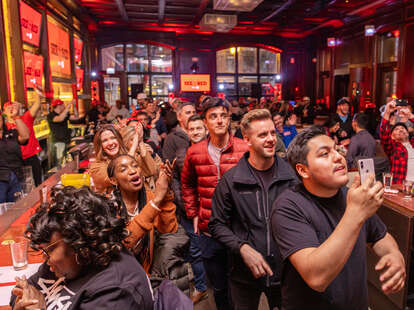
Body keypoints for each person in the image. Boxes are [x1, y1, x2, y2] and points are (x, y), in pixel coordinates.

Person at [272, 127, 405, 310]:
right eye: (325, 154)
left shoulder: (348, 195)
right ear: (303, 170)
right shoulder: (288, 207)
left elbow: (380, 236)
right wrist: (355, 213)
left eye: (336, 149)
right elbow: (316, 277)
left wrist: (395, 255)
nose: (338, 157)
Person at [10, 185, 154, 310]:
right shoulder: (68, 262)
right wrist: (23, 300)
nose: (46, 259)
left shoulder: (116, 291)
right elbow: (25, 290)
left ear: (80, 241)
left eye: (50, 250)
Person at [209, 109, 297, 309]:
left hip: (286, 272)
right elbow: (216, 224)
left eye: (273, 133)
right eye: (263, 135)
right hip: (243, 274)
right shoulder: (232, 181)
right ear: (247, 140)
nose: (271, 139)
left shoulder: (291, 176)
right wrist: (242, 248)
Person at [181, 97, 249, 310]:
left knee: (242, 284)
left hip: (240, 229)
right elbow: (187, 183)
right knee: (218, 287)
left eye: (223, 116)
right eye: (213, 117)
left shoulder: (244, 149)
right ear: (206, 122)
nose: (219, 121)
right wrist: (193, 213)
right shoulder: (194, 152)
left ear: (229, 119)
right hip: (209, 230)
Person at [107, 154, 190, 292]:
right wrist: (156, 201)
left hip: (145, 273)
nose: (133, 171)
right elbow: (126, 241)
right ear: (114, 180)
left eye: (135, 165)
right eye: (123, 169)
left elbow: (168, 228)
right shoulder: (109, 206)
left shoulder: (150, 197)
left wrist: (165, 194)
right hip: (119, 279)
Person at [164, 108, 209, 303]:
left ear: (206, 130)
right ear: (186, 131)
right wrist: (183, 203)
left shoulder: (213, 151)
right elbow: (175, 179)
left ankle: (213, 282)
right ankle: (201, 286)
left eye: (200, 128)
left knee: (215, 250)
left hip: (211, 210)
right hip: (189, 212)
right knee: (195, 250)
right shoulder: (182, 152)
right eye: (192, 129)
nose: (196, 132)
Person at [4, 97, 42, 186]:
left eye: (13, 107)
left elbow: (36, 106)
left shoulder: (25, 118)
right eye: (8, 108)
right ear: (4, 112)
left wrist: (39, 94)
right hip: (15, 161)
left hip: (31, 158)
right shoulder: (4, 127)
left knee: (36, 184)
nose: (11, 109)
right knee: (21, 187)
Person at [89, 124, 139, 194]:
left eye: (113, 138)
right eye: (105, 141)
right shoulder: (96, 167)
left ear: (119, 140)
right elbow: (119, 178)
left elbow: (152, 171)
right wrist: (134, 146)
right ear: (100, 146)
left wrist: (141, 143)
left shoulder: (133, 155)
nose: (110, 143)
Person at [380, 100, 414, 183]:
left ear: (408, 134)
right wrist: (387, 113)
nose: (401, 130)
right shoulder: (393, 147)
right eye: (396, 129)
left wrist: (411, 116)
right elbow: (384, 132)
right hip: (402, 187)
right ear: (392, 136)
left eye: (403, 128)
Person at [120, 124, 161, 191]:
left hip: (152, 191)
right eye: (132, 139)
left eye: (137, 139)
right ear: (125, 142)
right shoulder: (121, 157)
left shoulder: (143, 150)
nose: (136, 142)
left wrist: (153, 155)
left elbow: (155, 171)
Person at [0, 111, 29, 202]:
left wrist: (16, 117)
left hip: (16, 175)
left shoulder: (11, 133)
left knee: (16, 207)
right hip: (1, 179)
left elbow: (25, 136)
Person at [47, 98, 83, 166]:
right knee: (60, 163)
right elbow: (60, 119)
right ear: (59, 106)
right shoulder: (51, 115)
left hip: (66, 141)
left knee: (66, 161)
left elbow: (76, 117)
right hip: (58, 142)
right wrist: (68, 106)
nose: (64, 106)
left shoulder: (64, 114)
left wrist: (74, 106)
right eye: (63, 105)